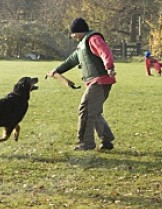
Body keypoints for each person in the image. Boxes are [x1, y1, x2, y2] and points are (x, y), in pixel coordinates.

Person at [46, 18, 116, 151]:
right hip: (96, 82)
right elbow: (71, 60)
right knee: (94, 112)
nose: (72, 36)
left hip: (100, 80)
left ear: (79, 31)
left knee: (86, 109)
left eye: (73, 33)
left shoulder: (93, 38)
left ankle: (86, 143)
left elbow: (104, 51)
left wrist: (109, 67)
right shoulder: (82, 45)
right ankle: (106, 140)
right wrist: (56, 70)